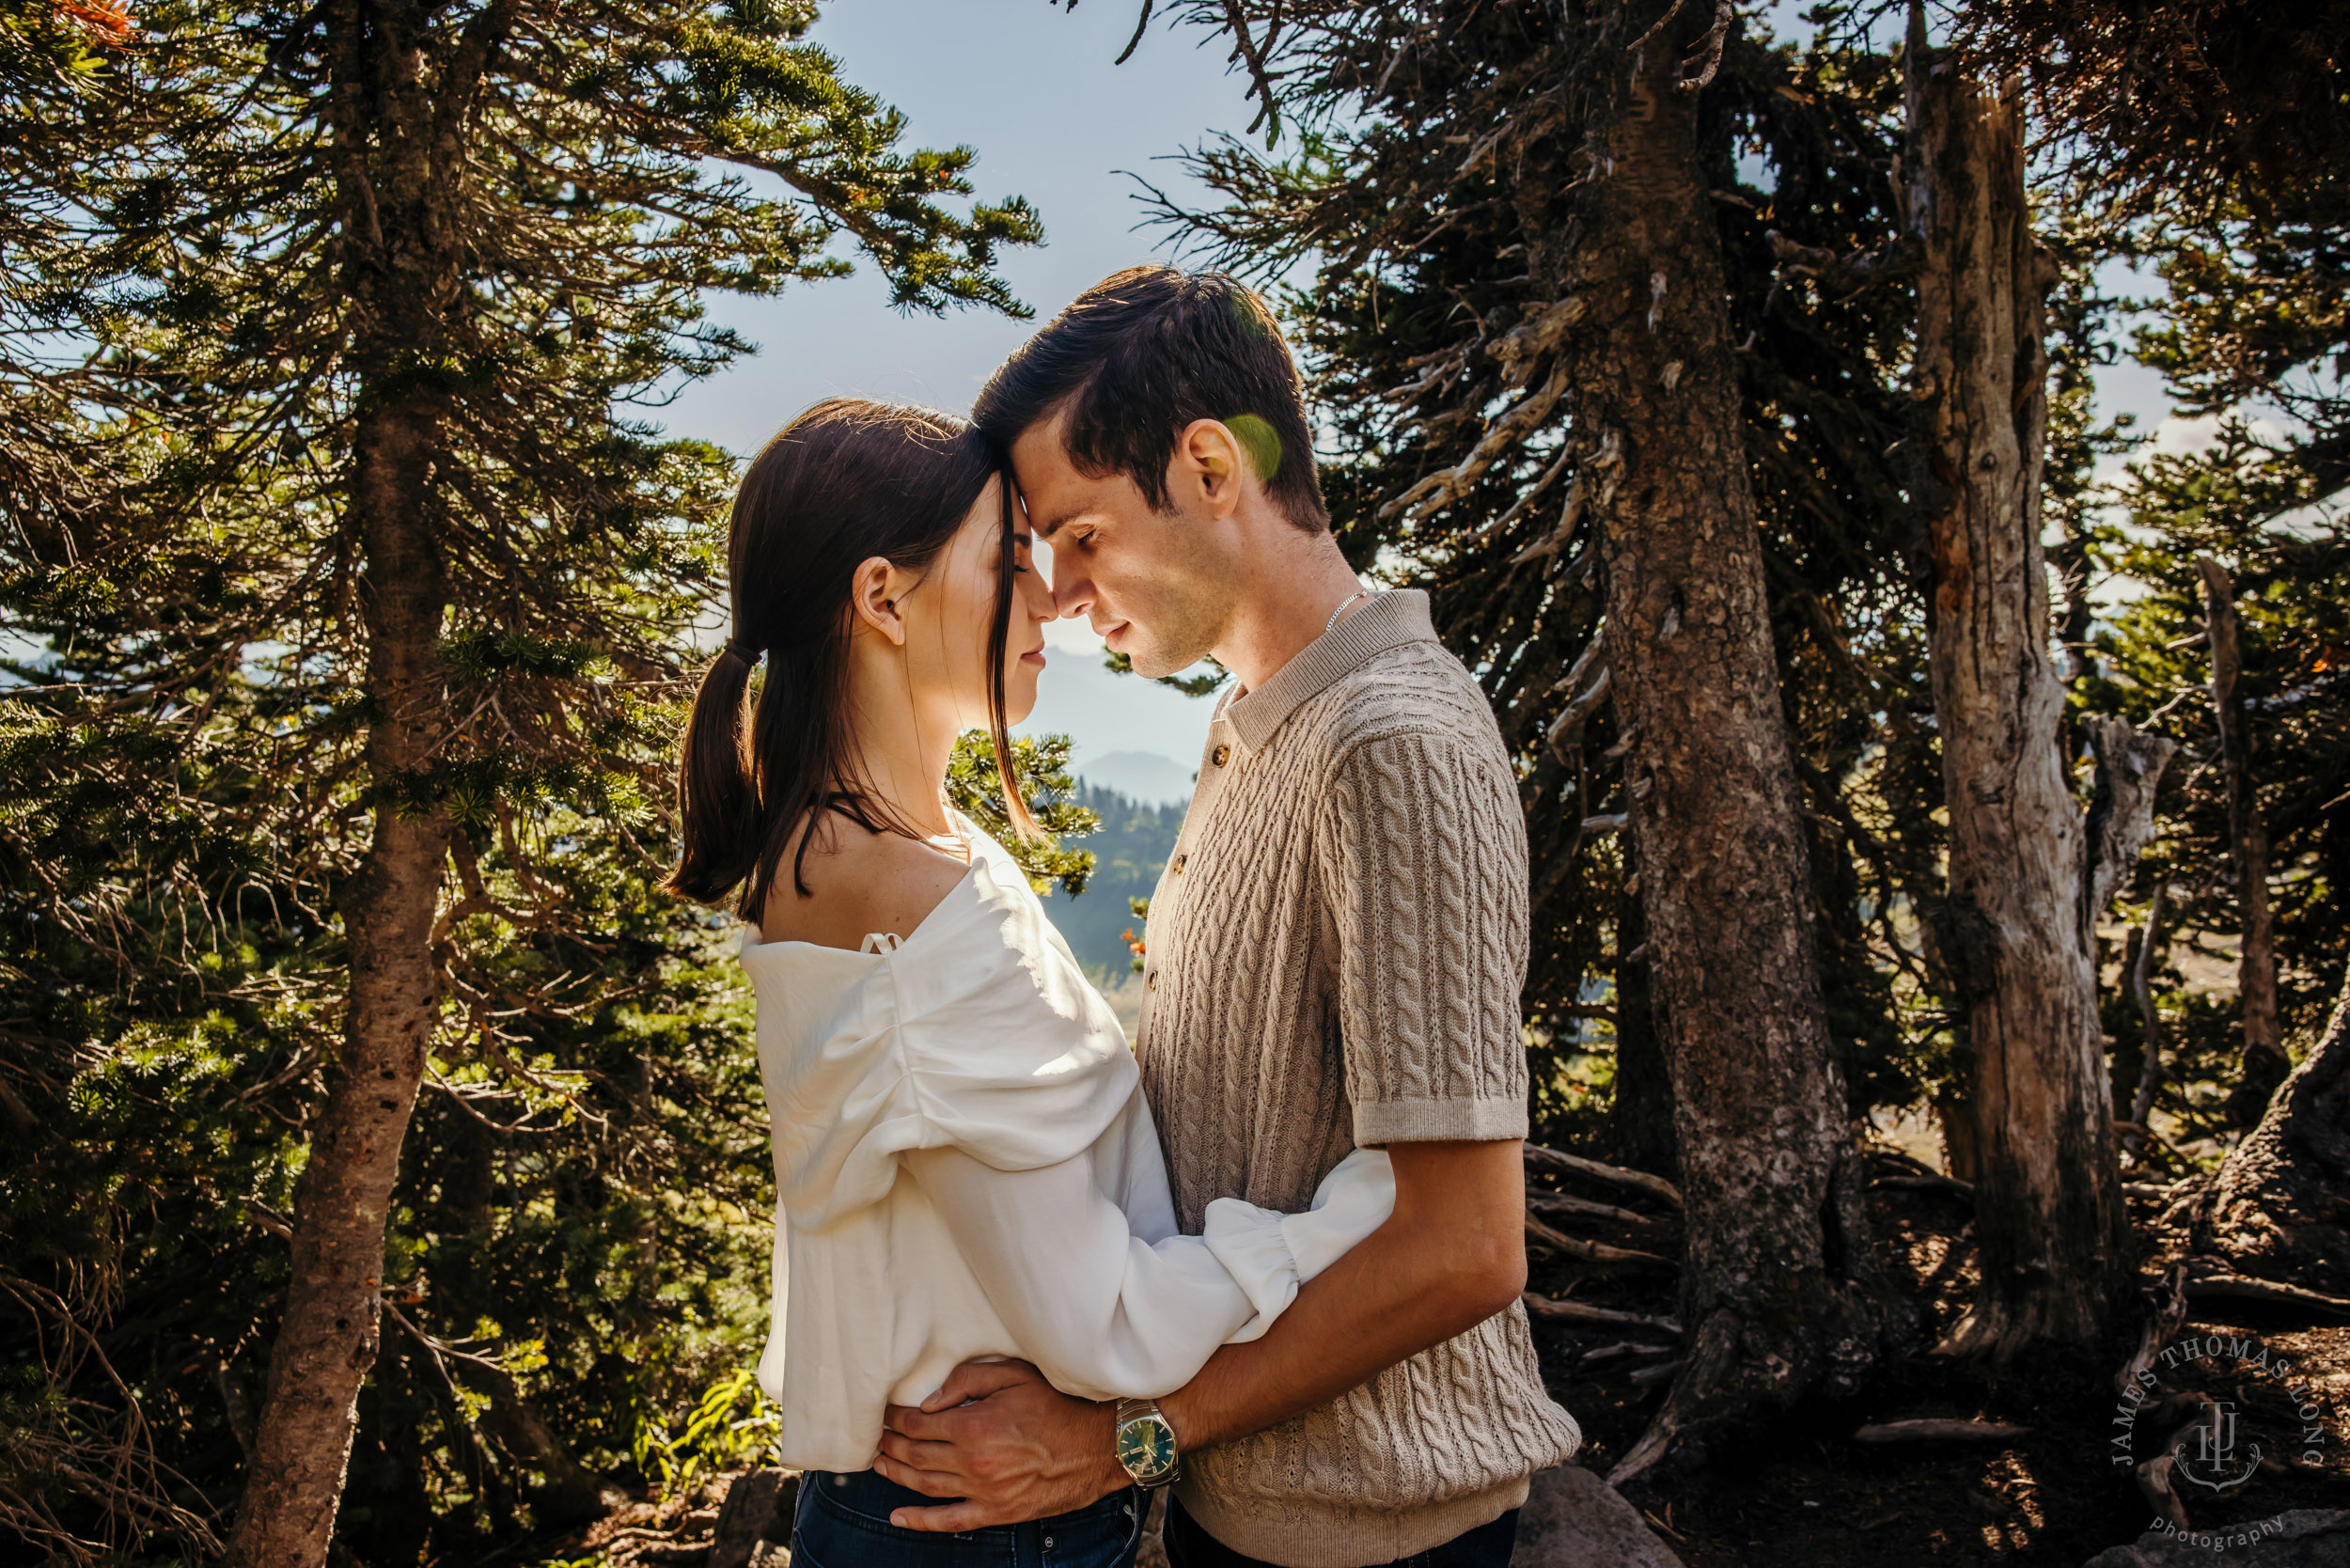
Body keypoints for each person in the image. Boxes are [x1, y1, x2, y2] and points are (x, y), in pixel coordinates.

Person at [870, 268, 1584, 1568]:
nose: (1065, 594)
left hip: (1377, 1535)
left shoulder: (1389, 741)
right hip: (1250, 1504)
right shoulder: (1259, 724)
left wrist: (1125, 1438)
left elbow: (1468, 1247)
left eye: (1080, 536)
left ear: (1208, 467)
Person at [662, 397, 1399, 1568]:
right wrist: (1350, 1218)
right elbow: (1101, 1325)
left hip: (917, 1519)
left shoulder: (859, 853)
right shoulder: (911, 908)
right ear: (880, 598)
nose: (1053, 594)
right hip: (977, 1531)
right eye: (1008, 558)